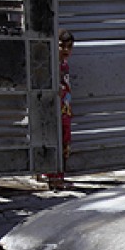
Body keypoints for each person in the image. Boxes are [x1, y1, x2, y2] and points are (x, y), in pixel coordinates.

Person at [58, 28, 75, 178]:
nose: (65, 50)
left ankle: (60, 175)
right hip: (56, 110)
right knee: (56, 140)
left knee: (65, 141)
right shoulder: (53, 65)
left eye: (69, 47)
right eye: (62, 46)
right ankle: (54, 176)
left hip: (65, 110)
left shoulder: (65, 64)